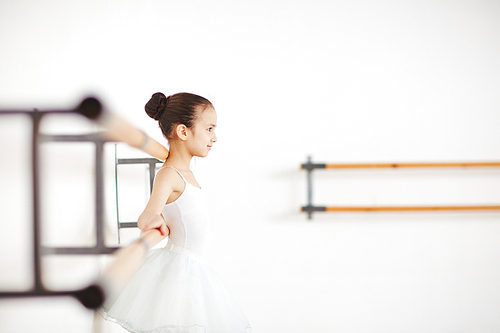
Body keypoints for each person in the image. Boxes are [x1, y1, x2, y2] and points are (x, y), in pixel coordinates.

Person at [99, 92, 251, 332]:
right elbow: (148, 213)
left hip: (195, 267)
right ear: (183, 132)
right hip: (180, 269)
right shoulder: (169, 174)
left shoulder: (189, 171)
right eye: (209, 129)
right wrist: (153, 222)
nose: (215, 137)